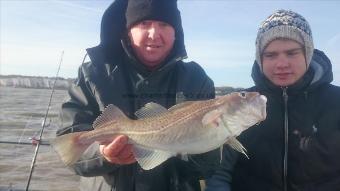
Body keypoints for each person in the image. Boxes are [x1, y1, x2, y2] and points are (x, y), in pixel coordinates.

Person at [56, 0, 218, 191]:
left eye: (164, 24)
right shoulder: (93, 74)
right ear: (128, 30)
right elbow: (69, 147)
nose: (154, 33)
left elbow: (207, 167)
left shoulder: (196, 79)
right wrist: (102, 154)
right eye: (144, 23)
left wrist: (209, 141)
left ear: (176, 32)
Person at [205, 9, 340, 191]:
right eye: (270, 55)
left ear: (307, 54)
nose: (281, 64)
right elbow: (220, 173)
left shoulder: (335, 101)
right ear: (260, 59)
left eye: (292, 53)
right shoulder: (237, 104)